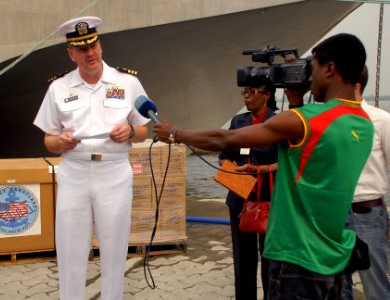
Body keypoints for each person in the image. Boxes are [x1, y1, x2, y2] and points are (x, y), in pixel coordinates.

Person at [153, 33, 374, 299]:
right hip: (333, 258)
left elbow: (223, 138)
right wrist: (295, 98)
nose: (309, 77)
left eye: (312, 68)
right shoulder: (364, 123)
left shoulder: (303, 121)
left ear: (330, 68)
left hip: (296, 258)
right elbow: (309, 150)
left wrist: (176, 133)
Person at [33, 16, 149, 300]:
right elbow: (48, 139)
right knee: (71, 248)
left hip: (113, 171)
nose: (91, 53)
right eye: (82, 49)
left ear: (100, 45)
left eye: (94, 45)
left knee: (114, 247)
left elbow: (144, 130)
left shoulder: (127, 81)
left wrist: (131, 131)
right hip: (75, 171)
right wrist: (59, 142)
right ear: (71, 53)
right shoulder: (58, 88)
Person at [218, 84, 278, 300]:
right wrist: (230, 170)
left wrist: (259, 170)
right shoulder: (238, 122)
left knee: (270, 257)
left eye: (252, 92)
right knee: (243, 258)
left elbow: (286, 162)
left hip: (268, 199)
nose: (246, 97)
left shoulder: (277, 122)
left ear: (267, 95)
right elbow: (224, 154)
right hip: (239, 199)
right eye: (244, 92)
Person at [344, 65, 390, 300]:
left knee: (376, 288)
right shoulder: (329, 123)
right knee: (337, 286)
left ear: (356, 85)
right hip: (334, 215)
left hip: (369, 215)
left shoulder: (381, 120)